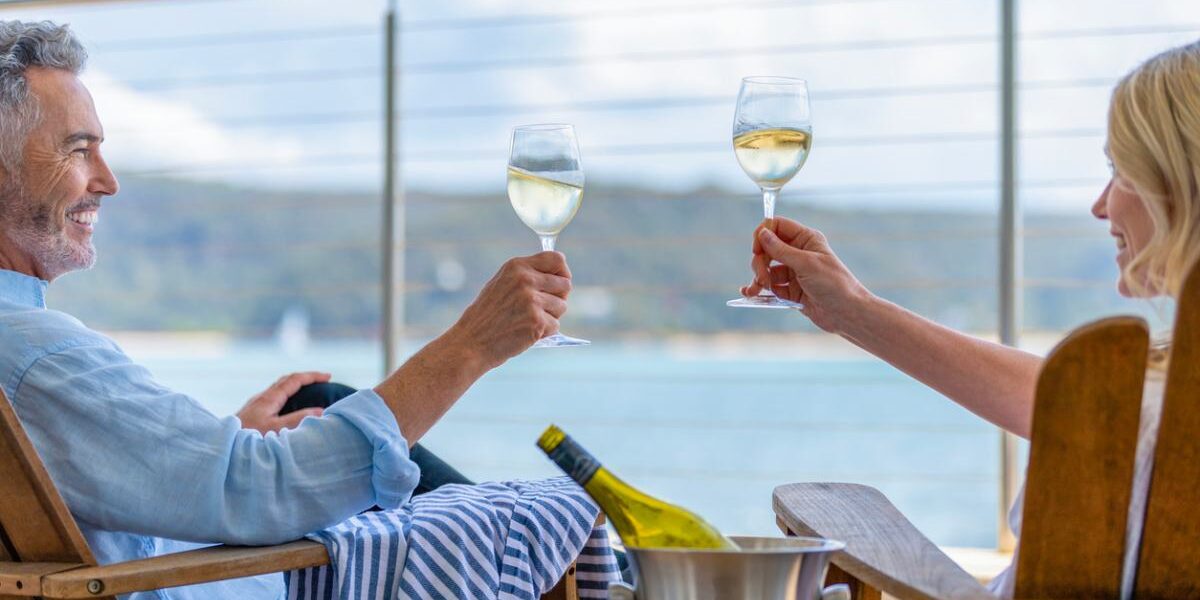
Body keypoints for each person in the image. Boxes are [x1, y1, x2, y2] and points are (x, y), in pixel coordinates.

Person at [0, 20, 574, 599]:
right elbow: (263, 491)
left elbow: (108, 476)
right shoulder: (34, 356)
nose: (109, 181)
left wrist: (222, 444)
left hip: (186, 547)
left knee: (320, 405)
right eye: (79, 149)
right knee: (530, 534)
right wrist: (472, 345)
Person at [742, 40, 1199, 597]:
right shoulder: (1149, 401)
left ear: (1181, 185)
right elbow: (1059, 398)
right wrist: (853, 311)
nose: (1100, 205)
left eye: (1120, 171)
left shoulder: (1124, 413)